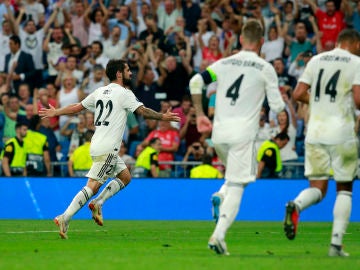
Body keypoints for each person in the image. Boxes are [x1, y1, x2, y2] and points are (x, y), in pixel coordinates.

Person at [39, 59, 180, 239]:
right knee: (93, 186)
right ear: (119, 73)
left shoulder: (99, 91)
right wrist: (163, 117)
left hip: (97, 143)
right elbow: (143, 111)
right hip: (108, 148)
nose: (131, 73)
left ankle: (98, 203)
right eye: (128, 70)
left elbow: (77, 107)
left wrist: (56, 112)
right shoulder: (124, 93)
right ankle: (65, 216)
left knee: (125, 176)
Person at [189, 20, 285, 255]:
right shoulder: (265, 68)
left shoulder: (223, 64)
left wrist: (200, 114)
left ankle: (220, 196)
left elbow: (196, 80)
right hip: (243, 134)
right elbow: (277, 105)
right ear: (261, 42)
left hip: (219, 134)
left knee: (232, 178)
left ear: (241, 39)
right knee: (238, 183)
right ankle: (218, 236)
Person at [283, 29, 360, 257]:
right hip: (341, 132)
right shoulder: (356, 62)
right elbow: (357, 99)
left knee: (317, 187)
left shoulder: (316, 60)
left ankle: (296, 204)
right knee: (344, 188)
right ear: (355, 44)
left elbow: (298, 94)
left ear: (337, 43)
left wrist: (322, 102)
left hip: (315, 132)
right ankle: (336, 244)